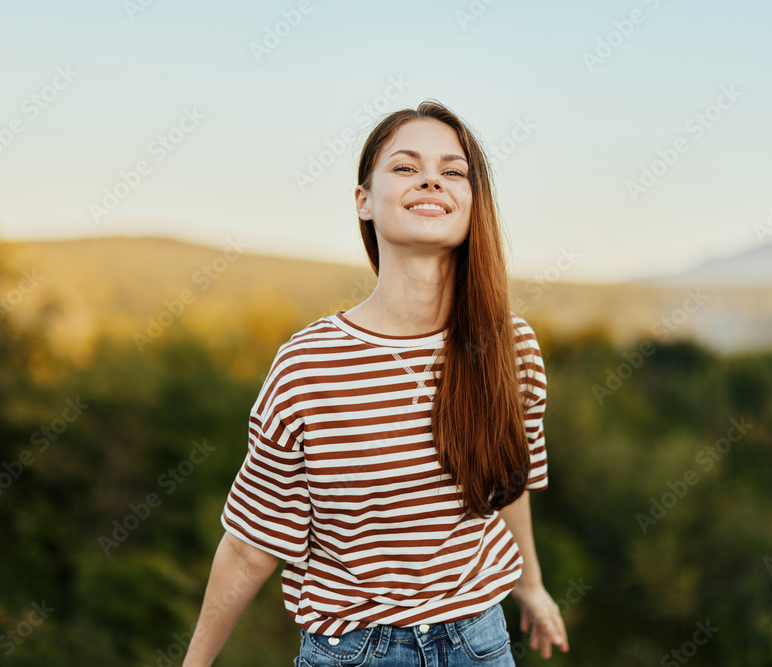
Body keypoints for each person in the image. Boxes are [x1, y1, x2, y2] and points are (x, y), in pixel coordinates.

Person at [183, 99, 568, 666]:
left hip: (480, 643)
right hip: (356, 652)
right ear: (363, 201)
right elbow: (250, 545)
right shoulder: (308, 364)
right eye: (406, 167)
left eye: (454, 170)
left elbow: (506, 484)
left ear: (472, 203)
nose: (432, 179)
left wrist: (529, 585)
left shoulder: (511, 348)